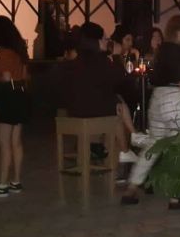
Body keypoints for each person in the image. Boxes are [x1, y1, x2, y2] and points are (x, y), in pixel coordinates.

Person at [122, 15, 180, 208]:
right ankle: (177, 196)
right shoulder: (178, 52)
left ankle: (132, 187)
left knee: (153, 146)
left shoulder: (161, 51)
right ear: (179, 32)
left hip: (157, 98)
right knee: (179, 148)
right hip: (174, 99)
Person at [58, 22, 137, 164]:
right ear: (98, 41)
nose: (108, 42)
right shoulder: (99, 60)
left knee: (116, 102)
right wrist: (117, 56)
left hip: (73, 111)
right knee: (117, 107)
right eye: (105, 39)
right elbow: (121, 79)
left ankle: (121, 149)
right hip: (90, 112)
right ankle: (125, 149)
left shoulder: (77, 59)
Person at [0, 17, 30, 198]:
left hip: (8, 95)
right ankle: (16, 181)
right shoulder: (20, 50)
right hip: (21, 93)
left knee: (4, 142)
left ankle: (2, 185)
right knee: (16, 141)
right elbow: (25, 75)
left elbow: (5, 77)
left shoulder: (3, 52)